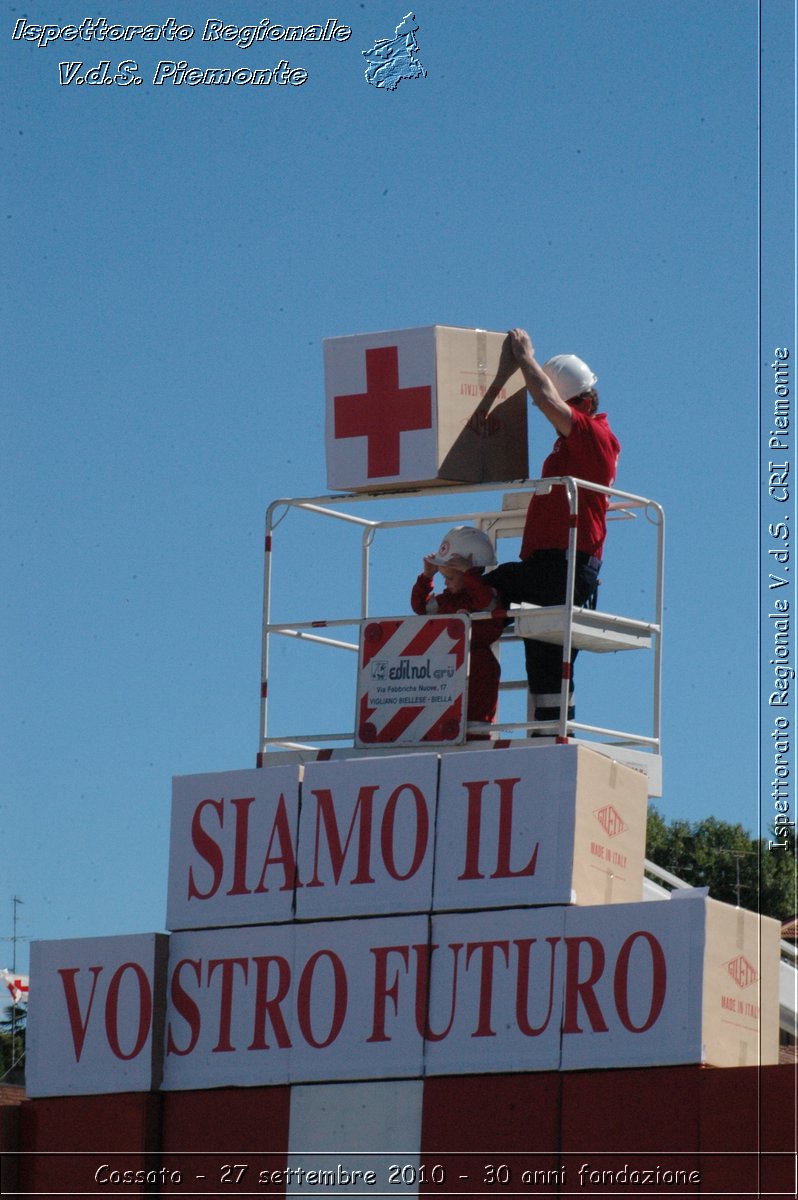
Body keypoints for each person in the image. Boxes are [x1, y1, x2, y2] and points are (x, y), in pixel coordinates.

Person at [482, 328, 621, 730]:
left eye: (570, 403)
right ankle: (552, 731)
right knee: (542, 657)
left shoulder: (593, 436)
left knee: (486, 595)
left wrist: (525, 358)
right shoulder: (575, 444)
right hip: (554, 564)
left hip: (564, 565)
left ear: (582, 401)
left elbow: (545, 399)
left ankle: (548, 731)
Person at [411, 526, 503, 733]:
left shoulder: (485, 594)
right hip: (446, 667)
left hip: (479, 668)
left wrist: (469, 573)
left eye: (450, 577)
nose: (445, 582)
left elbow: (485, 602)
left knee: (476, 728)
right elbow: (420, 607)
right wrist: (426, 577)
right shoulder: (446, 601)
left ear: (469, 572)